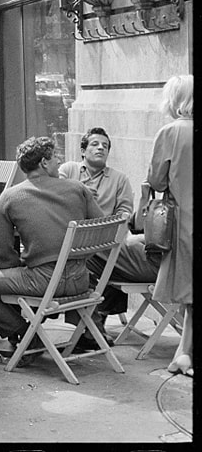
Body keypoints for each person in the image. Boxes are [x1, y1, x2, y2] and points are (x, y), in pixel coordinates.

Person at [0, 137, 103, 364]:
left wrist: (23, 266)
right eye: (55, 158)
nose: (59, 163)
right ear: (43, 162)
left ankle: (25, 335)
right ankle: (70, 332)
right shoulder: (77, 188)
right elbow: (103, 229)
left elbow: (3, 256)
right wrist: (80, 257)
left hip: (42, 282)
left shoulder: (10, 196)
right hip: (81, 280)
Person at [59, 127, 144, 337]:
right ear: (83, 150)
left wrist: (110, 224)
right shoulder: (69, 170)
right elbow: (54, 196)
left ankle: (90, 325)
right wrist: (78, 190)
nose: (101, 148)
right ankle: (91, 324)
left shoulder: (119, 179)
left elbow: (125, 213)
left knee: (90, 261)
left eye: (105, 146)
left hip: (103, 239)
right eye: (95, 144)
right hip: (69, 236)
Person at [147, 75, 193, 376]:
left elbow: (157, 181)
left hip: (186, 222)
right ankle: (184, 353)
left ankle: (185, 354)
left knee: (189, 292)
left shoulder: (171, 133)